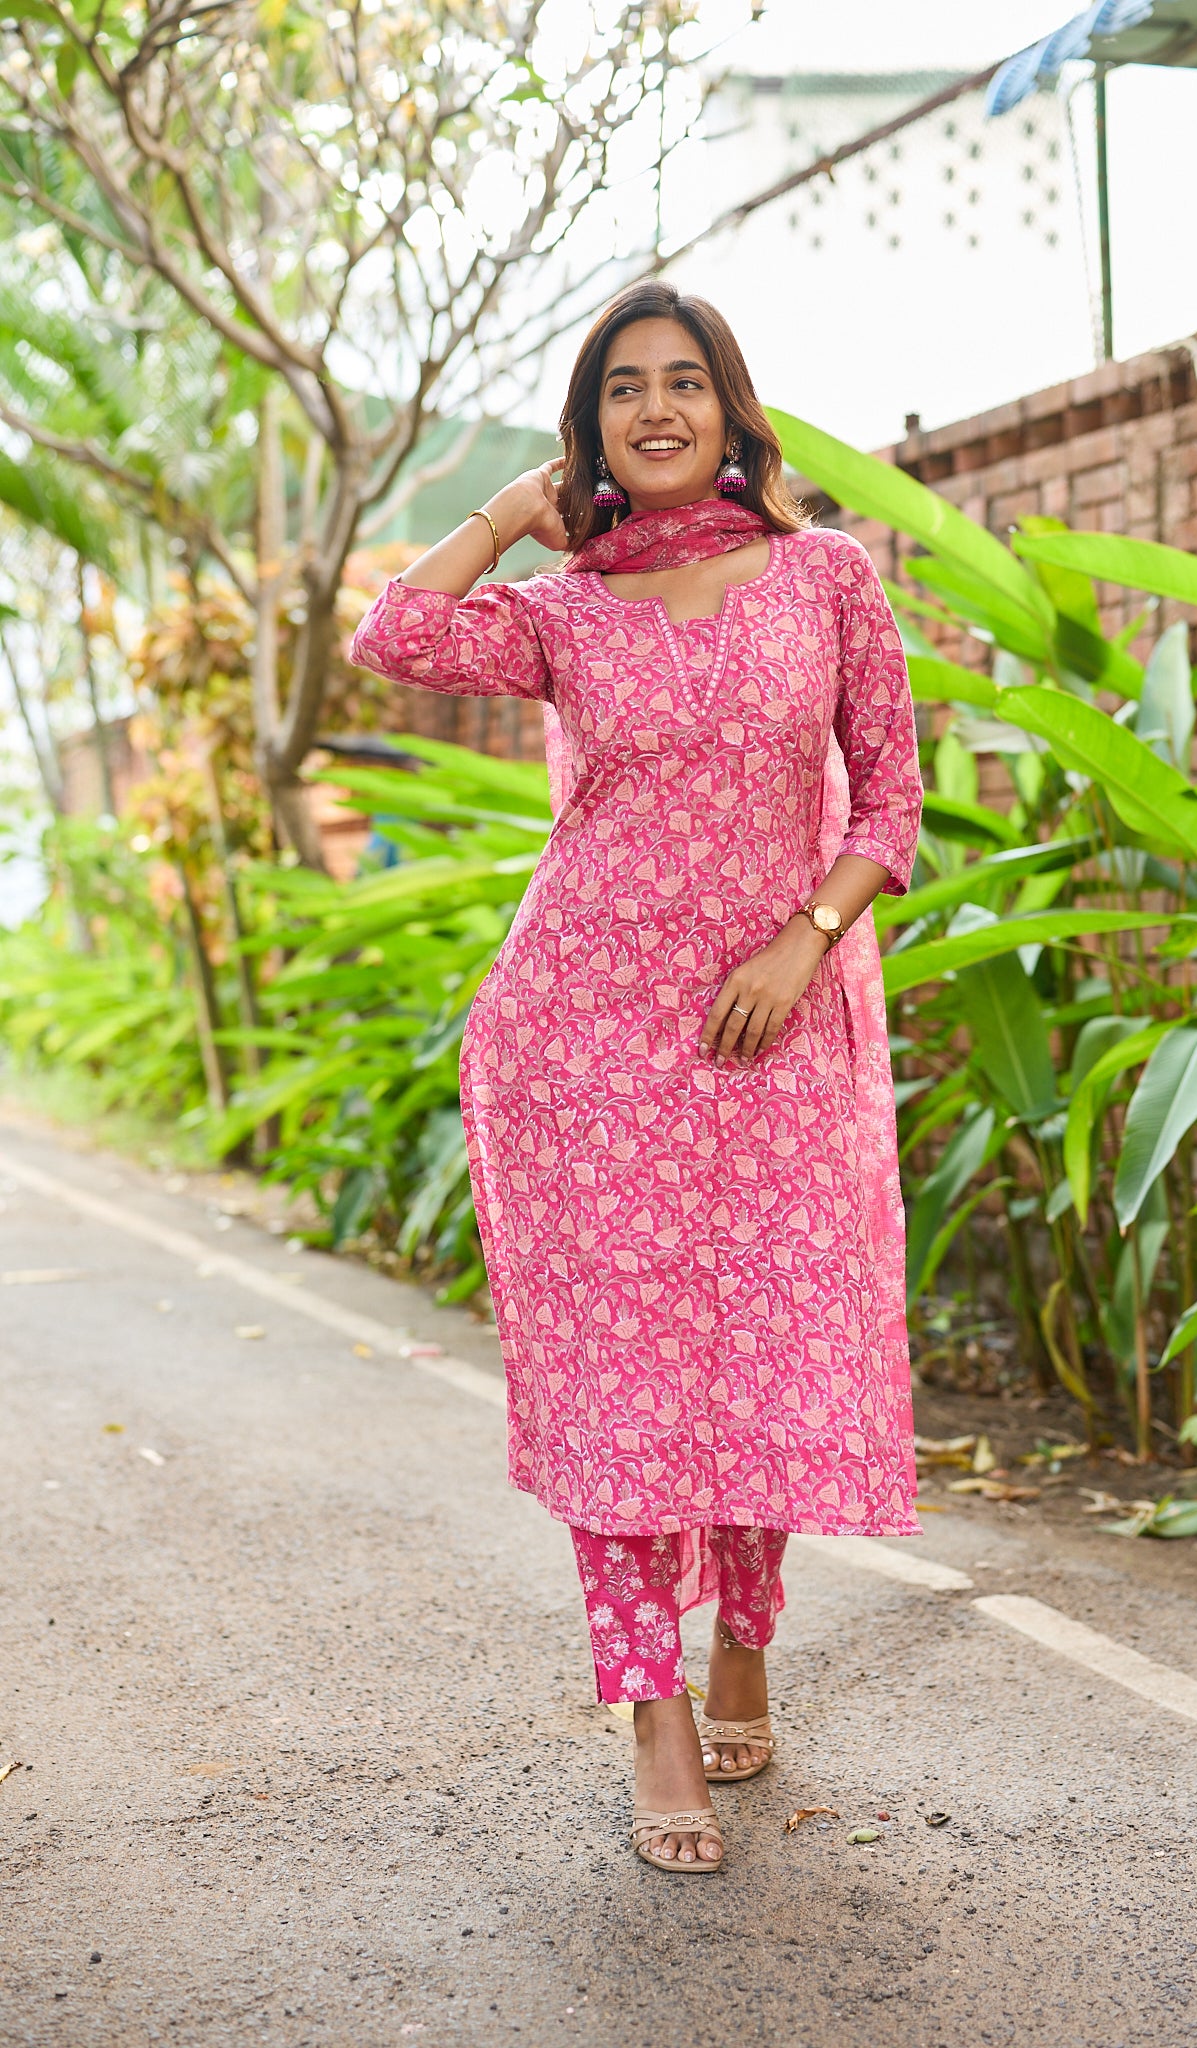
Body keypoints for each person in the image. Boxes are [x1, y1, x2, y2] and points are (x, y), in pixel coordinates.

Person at [351, 280, 923, 1875]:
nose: (654, 409)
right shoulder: (563, 611)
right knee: (624, 1378)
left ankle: (744, 1634)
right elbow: (390, 635)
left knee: (767, 1349)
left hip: (774, 1032)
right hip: (585, 1045)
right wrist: (508, 514)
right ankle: (652, 1709)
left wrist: (802, 943)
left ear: (731, 410)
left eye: (682, 381)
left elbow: (888, 802)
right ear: (588, 431)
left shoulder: (826, 577)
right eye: (621, 390)